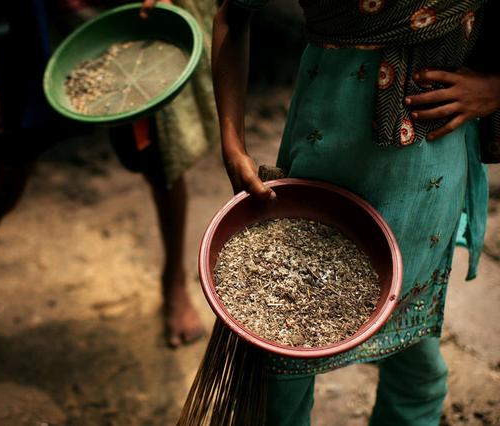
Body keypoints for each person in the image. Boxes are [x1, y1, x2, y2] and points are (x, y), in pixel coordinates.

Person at [212, 0, 499, 424]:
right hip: (324, 161)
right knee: (282, 360)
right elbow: (232, 14)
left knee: (415, 353)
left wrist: (494, 87)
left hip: (425, 179)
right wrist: (231, 144)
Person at [0, 0, 218, 355]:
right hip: (41, 38)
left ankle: (173, 283)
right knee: (2, 176)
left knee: (160, 164)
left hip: (128, 32)